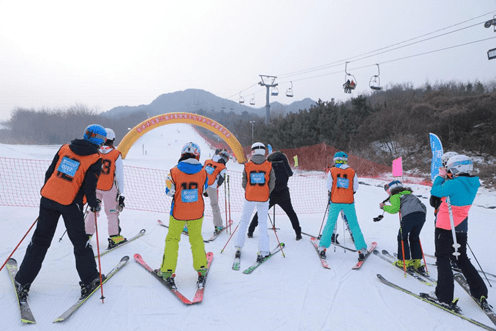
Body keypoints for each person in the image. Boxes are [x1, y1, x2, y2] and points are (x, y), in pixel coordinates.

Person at [14, 124, 107, 302]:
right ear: (99, 141)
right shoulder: (95, 158)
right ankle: (90, 280)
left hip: (48, 197)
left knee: (40, 240)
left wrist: (51, 192)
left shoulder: (65, 148)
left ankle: (22, 280)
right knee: (80, 243)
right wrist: (94, 204)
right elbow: (90, 187)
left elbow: (50, 172)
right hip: (70, 204)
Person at [430, 154, 489, 309]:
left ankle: (444, 297)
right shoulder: (473, 183)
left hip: (445, 225)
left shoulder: (455, 184)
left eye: (450, 168)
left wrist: (440, 176)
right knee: (461, 258)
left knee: (442, 258)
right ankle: (480, 291)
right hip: (461, 226)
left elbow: (436, 191)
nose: (449, 171)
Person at [158, 142, 209, 288]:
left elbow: (169, 192)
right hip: (197, 212)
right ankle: (201, 269)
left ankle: (167, 271)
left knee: (173, 240)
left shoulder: (173, 171)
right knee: (196, 239)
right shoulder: (204, 171)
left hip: (178, 212)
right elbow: (205, 189)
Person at [318, 151, 367, 262]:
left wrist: (336, 193)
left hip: (335, 201)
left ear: (336, 160)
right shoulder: (352, 171)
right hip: (349, 202)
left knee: (330, 224)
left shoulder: (332, 171)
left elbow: (329, 186)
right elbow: (355, 187)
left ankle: (323, 248)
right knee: (354, 225)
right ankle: (362, 250)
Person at [85, 128, 127, 249]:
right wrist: (121, 193)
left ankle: (87, 234)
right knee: (112, 213)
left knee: (93, 210)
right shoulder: (115, 154)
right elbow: (119, 175)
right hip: (109, 188)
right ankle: (114, 237)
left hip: (95, 186)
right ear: (112, 140)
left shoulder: (95, 152)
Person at [247, 150, 302, 240]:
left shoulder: (268, 163)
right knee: (291, 213)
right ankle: (298, 233)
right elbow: (290, 174)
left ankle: (250, 231)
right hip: (284, 193)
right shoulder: (284, 162)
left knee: (260, 212)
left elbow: (264, 178)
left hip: (270, 194)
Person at [234, 142, 275, 262]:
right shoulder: (269, 165)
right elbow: (272, 181)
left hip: (249, 197)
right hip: (264, 198)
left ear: (252, 151)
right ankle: (263, 250)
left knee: (244, 221)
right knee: (262, 223)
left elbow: (244, 182)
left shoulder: (247, 165)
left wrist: (249, 191)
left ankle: (238, 247)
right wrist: (267, 192)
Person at [378, 180, 427, 271]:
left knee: (402, 237)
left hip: (409, 216)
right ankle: (416, 262)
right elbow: (423, 206)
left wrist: (383, 207)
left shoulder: (395, 196)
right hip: (421, 215)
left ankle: (404, 261)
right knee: (414, 237)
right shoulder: (410, 195)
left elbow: (394, 209)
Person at [203, 149, 230, 234]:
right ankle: (218, 226)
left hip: (201, 184)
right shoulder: (222, 167)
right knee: (214, 206)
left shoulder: (207, 161)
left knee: (195, 204)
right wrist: (216, 186)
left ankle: (186, 226)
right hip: (212, 186)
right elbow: (221, 180)